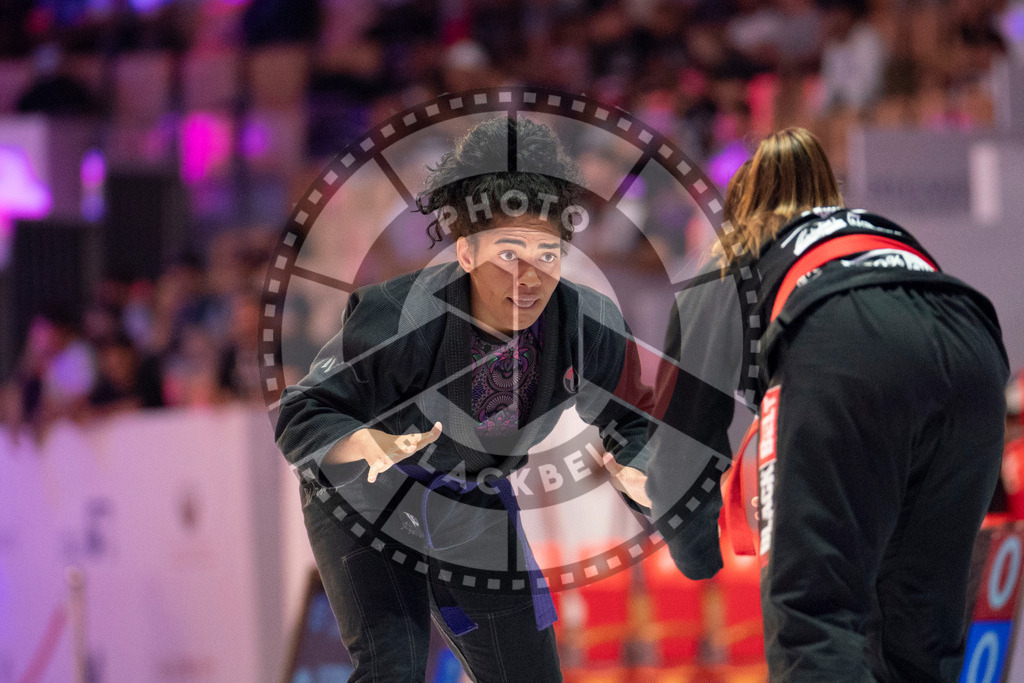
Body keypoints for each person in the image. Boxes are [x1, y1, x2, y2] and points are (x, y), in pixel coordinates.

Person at [274, 117, 653, 682]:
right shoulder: (399, 317)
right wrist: (364, 441)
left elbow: (635, 420)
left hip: (471, 499)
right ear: (467, 252)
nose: (528, 278)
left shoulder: (585, 324)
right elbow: (301, 410)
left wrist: (642, 470)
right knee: (392, 669)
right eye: (508, 256)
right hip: (364, 495)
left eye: (546, 256)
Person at [647, 127, 1009, 681]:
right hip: (976, 350)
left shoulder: (734, 257)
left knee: (814, 616)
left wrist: (696, 552)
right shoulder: (877, 233)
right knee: (919, 633)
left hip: (848, 340)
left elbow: (680, 448)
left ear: (739, 206)